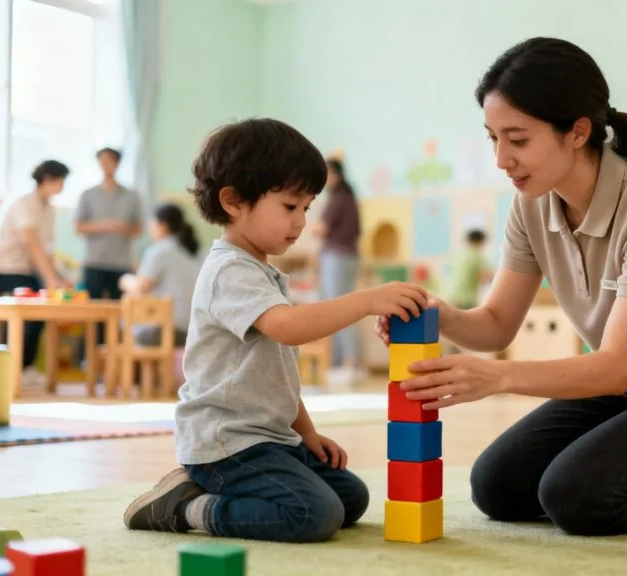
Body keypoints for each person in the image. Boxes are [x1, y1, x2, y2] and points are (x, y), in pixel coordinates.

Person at [375, 37, 627, 537]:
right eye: (492, 138)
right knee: (497, 487)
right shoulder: (532, 204)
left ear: (577, 132)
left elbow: (613, 367)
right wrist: (439, 313)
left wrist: (495, 378)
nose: (502, 158)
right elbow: (497, 325)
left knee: (578, 496)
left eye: (518, 139)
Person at [122, 118, 430, 543]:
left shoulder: (263, 273)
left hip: (268, 439)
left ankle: (211, 492)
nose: (301, 221)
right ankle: (187, 507)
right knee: (314, 514)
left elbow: (278, 374)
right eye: (290, 207)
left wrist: (307, 434)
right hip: (226, 446)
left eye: (307, 208)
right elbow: (289, 329)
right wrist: (366, 300)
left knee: (350, 499)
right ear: (233, 201)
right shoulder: (229, 270)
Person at [0, 160, 72, 385]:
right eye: (61, 181)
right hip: (9, 267)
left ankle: (26, 367)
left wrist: (61, 278)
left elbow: (48, 251)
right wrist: (51, 279)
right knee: (15, 318)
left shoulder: (49, 209)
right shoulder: (24, 200)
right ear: (48, 179)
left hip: (31, 269)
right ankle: (7, 368)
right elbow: (31, 243)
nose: (63, 186)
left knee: (39, 316)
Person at [118, 203, 203, 347]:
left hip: (169, 330)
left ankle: (134, 369)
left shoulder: (160, 250)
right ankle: (150, 369)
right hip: (196, 330)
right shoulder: (196, 252)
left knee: (124, 322)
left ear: (161, 225)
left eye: (151, 224)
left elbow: (140, 288)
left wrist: (125, 280)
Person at [310, 158, 363, 386]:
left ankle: (349, 362)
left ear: (334, 174)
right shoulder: (349, 198)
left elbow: (321, 228)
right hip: (348, 256)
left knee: (338, 309)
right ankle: (343, 362)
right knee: (341, 307)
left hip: (336, 257)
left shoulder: (337, 198)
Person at [74, 147, 144, 302]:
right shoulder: (88, 194)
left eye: (110, 161)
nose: (106, 165)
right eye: (102, 161)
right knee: (93, 309)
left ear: (117, 163)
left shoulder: (131, 196)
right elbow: (78, 227)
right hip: (94, 262)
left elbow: (139, 228)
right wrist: (105, 225)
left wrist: (123, 227)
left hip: (122, 263)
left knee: (119, 309)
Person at [446, 228, 491, 310]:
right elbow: (482, 277)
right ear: (480, 241)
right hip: (466, 299)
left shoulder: (458, 254)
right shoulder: (476, 254)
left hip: (452, 295)